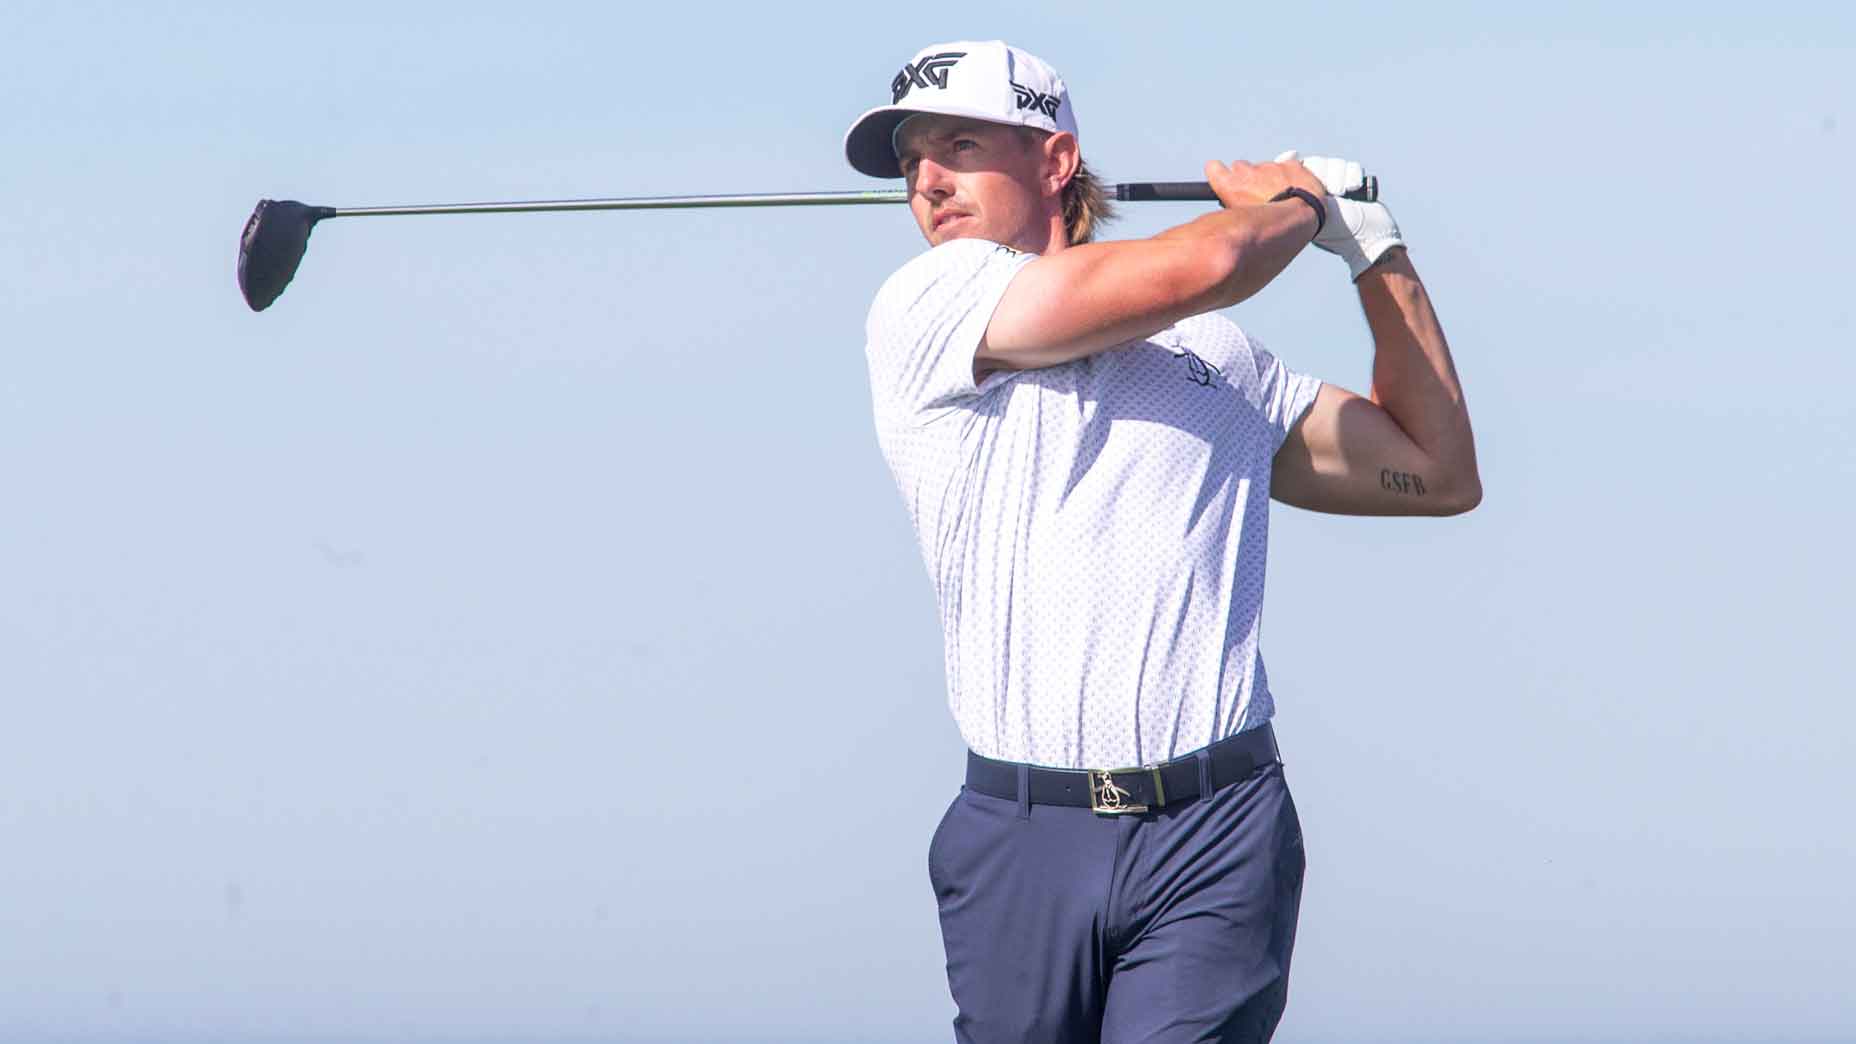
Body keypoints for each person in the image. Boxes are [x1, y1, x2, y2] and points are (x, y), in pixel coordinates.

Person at [845, 40, 1479, 1044]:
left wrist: (1377, 255)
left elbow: (1435, 472)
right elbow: (1216, 261)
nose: (927, 181)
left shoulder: (1217, 362)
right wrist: (1302, 205)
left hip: (1217, 833)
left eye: (957, 145)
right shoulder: (926, 307)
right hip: (1021, 838)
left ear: (1053, 162)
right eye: (911, 162)